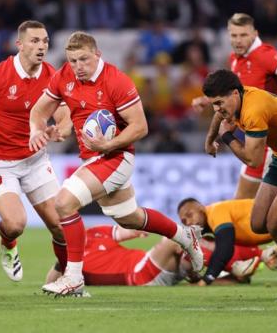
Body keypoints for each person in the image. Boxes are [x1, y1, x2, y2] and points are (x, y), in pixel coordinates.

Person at [29, 31, 204, 297]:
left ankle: (74, 278)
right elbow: (39, 110)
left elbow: (140, 127)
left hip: (117, 156)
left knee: (64, 203)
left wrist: (107, 145)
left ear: (97, 54)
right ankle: (184, 236)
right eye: (73, 60)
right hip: (94, 157)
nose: (78, 67)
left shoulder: (116, 81)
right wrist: (38, 130)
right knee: (130, 218)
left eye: (84, 60)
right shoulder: (65, 75)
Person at [0, 20, 70, 282]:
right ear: (19, 44)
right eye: (34, 41)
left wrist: (60, 129)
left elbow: (65, 114)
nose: (41, 46)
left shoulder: (52, 75)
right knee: (15, 224)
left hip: (36, 160)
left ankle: (68, 277)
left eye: (45, 41)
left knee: (61, 227)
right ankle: (8, 243)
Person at [201, 69, 277, 301]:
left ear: (235, 94)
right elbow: (219, 116)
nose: (217, 109)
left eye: (219, 102)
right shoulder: (232, 102)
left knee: (276, 224)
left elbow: (254, 160)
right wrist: (210, 141)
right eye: (213, 104)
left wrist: (228, 138)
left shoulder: (254, 109)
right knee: (259, 224)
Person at [193, 13, 277, 199]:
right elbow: (233, 93)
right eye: (234, 35)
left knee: (243, 204)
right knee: (271, 214)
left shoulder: (265, 55)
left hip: (266, 142)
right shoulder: (234, 58)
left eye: (243, 35)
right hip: (253, 136)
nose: (238, 40)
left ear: (254, 33)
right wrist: (207, 99)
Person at [45, 225, 271, 287]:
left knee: (196, 238)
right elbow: (49, 283)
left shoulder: (93, 233)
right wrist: (61, 259)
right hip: (139, 276)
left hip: (149, 264)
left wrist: (138, 228)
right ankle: (236, 265)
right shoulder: (70, 261)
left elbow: (127, 231)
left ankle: (233, 273)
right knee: (177, 239)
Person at [176, 198, 277, 286]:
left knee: (224, 243)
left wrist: (207, 279)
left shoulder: (215, 212)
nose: (189, 222)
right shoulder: (211, 220)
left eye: (190, 215)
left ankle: (257, 258)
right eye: (184, 221)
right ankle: (267, 255)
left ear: (200, 208)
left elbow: (225, 249)